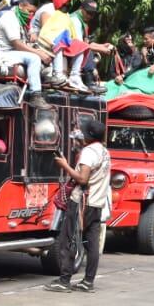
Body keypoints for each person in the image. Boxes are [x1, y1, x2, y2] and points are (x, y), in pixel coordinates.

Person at [47, 118, 110, 293]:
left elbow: (82, 179)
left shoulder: (89, 152)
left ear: (89, 135)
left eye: (83, 132)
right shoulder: (104, 151)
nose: (81, 134)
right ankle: (88, 282)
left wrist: (65, 165)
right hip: (96, 203)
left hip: (82, 202)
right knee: (92, 243)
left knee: (68, 239)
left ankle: (64, 281)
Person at [0, 0, 49, 108]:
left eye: (33, 13)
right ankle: (35, 96)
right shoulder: (10, 18)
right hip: (3, 54)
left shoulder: (21, 20)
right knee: (35, 58)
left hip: (13, 53)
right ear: (21, 6)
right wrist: (39, 54)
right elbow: (17, 44)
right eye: (29, 11)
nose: (31, 15)